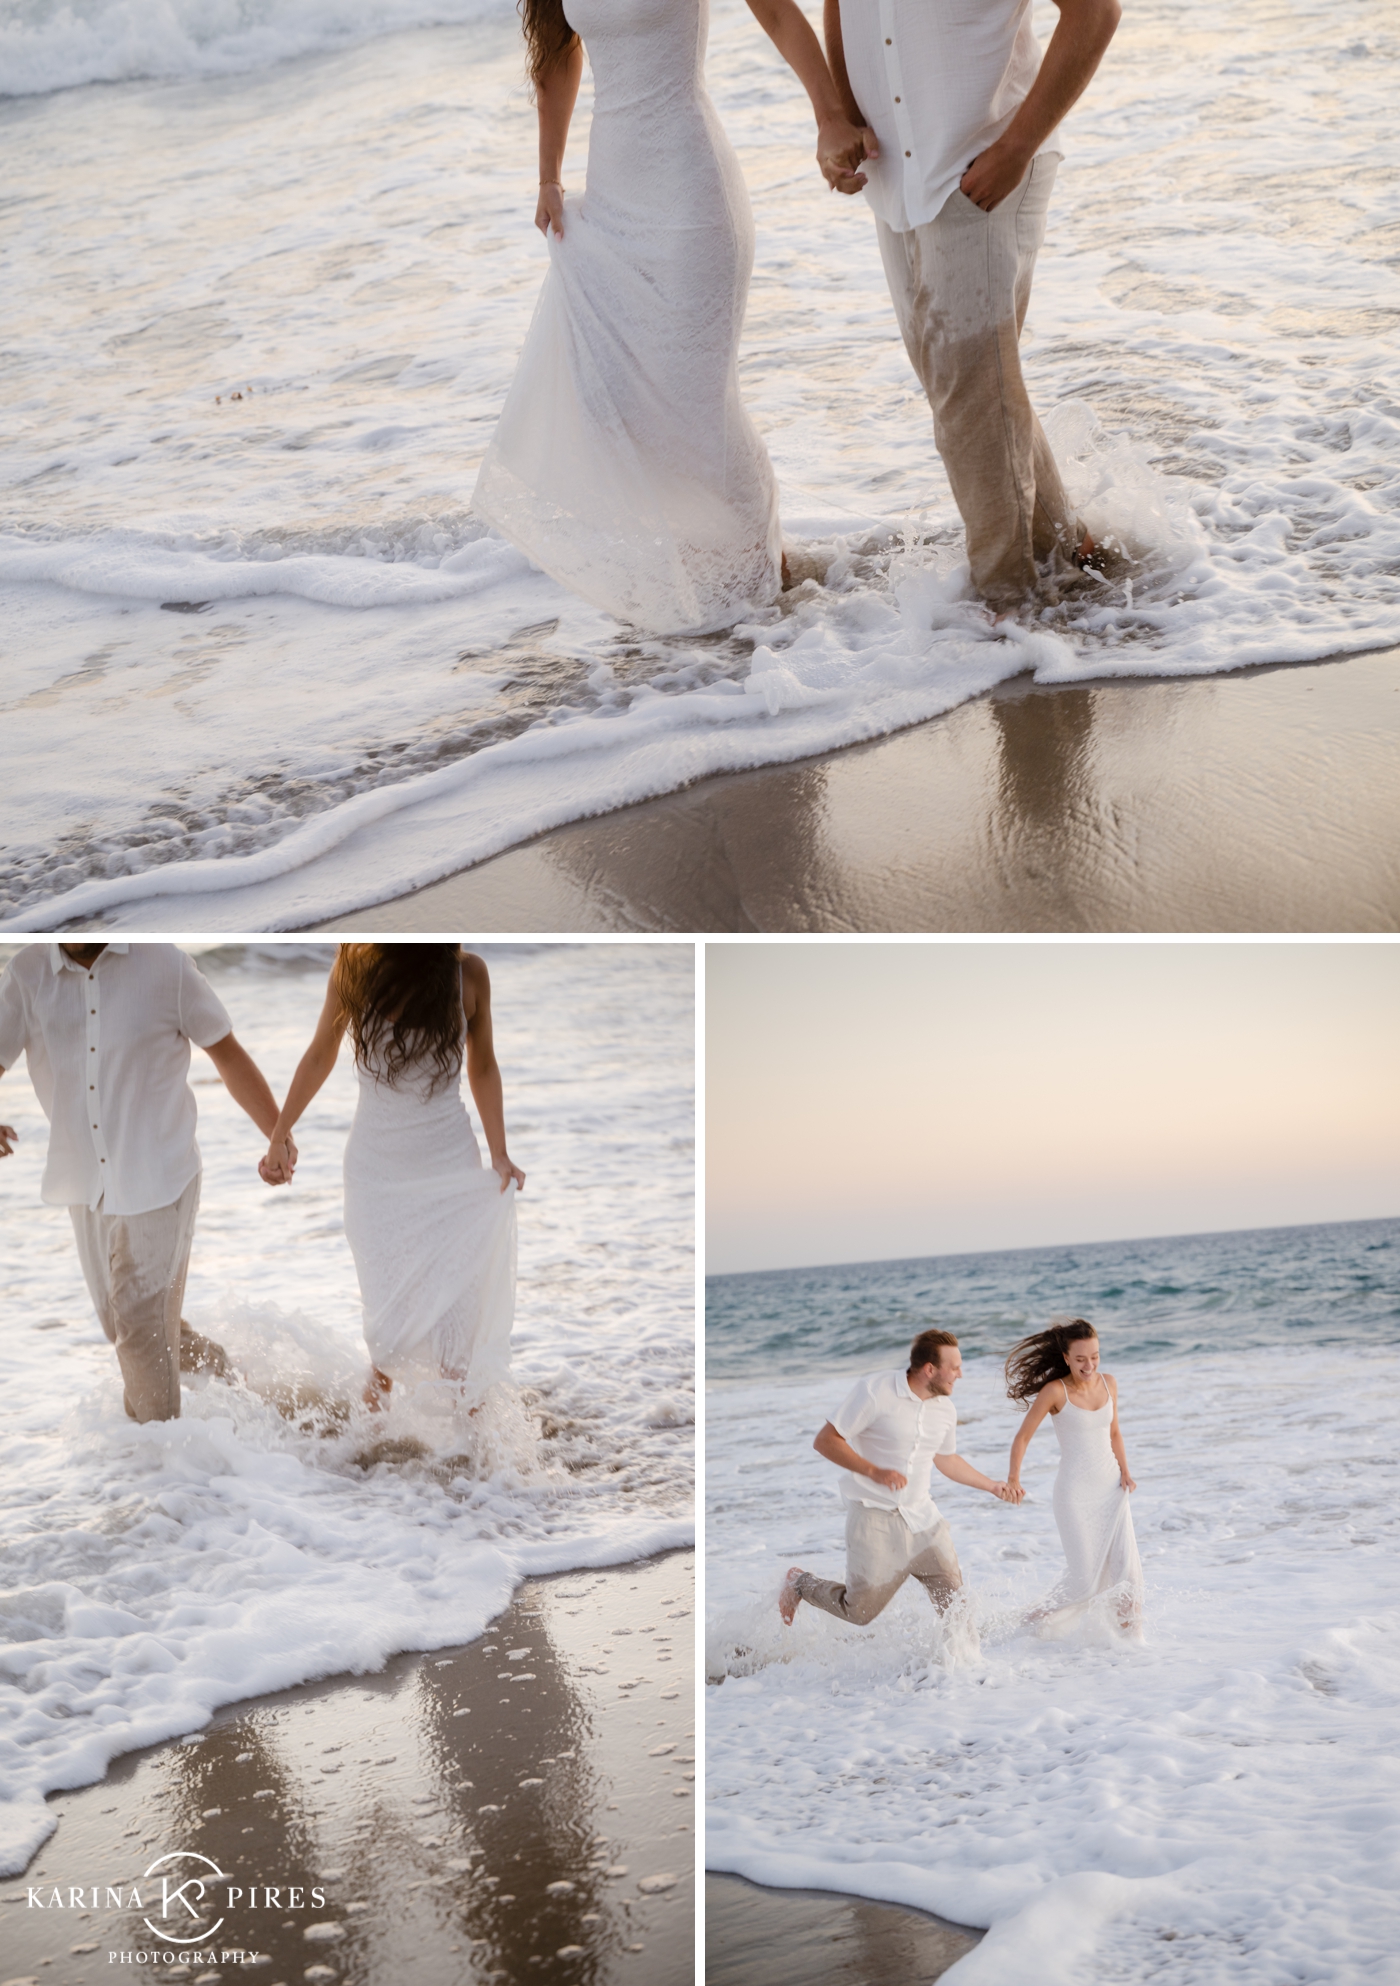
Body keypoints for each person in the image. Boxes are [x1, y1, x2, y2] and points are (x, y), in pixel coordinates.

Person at [472, 0, 869, 635]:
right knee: (616, 405)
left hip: (691, 190)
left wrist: (830, 116)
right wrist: (548, 176)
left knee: (698, 406)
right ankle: (721, 578)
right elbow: (554, 56)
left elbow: (774, 11)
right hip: (613, 192)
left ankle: (767, 583)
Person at [817, 0, 1121, 612]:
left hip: (984, 166)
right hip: (896, 174)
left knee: (970, 400)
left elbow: (1095, 13)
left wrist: (1016, 149)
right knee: (974, 389)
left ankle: (1007, 603)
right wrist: (842, 119)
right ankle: (1074, 554)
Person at [0, 942, 284, 1423]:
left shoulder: (165, 965)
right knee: (123, 1324)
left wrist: (278, 1135)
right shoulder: (27, 973)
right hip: (85, 1179)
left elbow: (227, 1054)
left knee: (136, 1322)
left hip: (162, 1172)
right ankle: (231, 1381)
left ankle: (161, 1469)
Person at [260, 944, 526, 1410]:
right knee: (387, 1341)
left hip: (449, 1171)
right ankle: (370, 1459)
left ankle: (482, 1467)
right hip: (375, 1178)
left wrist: (499, 1153)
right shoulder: (354, 969)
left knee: (455, 1340)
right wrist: (279, 1134)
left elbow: (482, 1066)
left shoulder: (469, 976)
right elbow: (320, 1055)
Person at [779, 1327, 1022, 1630]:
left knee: (958, 1610)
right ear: (930, 1369)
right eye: (955, 1367)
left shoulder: (945, 1408)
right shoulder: (875, 1391)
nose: (960, 1374)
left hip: (924, 1521)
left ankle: (964, 1673)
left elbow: (946, 1459)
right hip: (873, 1519)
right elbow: (826, 1441)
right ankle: (799, 1583)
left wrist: (992, 1486)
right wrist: (873, 1471)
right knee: (859, 1613)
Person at [1005, 1316, 1143, 1636]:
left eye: (1094, 1356)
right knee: (1084, 1581)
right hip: (1075, 1495)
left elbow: (1115, 1432)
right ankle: (1028, 1625)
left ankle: (1131, 1648)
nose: (1089, 1364)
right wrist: (1013, 1479)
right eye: (1080, 1359)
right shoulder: (1055, 1392)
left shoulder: (1110, 1383)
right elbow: (1022, 1438)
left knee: (1129, 1574)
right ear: (1066, 1358)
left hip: (1111, 1489)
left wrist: (1126, 1471)